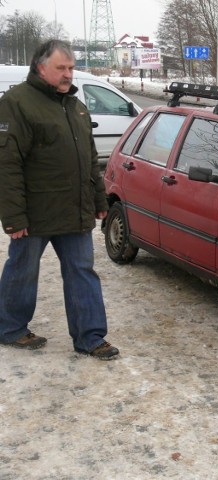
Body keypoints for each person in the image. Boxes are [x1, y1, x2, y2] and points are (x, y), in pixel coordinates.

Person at [0, 40, 119, 360]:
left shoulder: (75, 106)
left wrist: (99, 199)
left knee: (82, 270)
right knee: (22, 269)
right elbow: (7, 163)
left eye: (70, 67)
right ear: (41, 67)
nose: (69, 74)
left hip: (74, 209)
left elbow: (89, 158)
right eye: (61, 68)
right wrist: (14, 216)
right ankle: (10, 327)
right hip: (35, 212)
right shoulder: (17, 103)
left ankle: (90, 337)